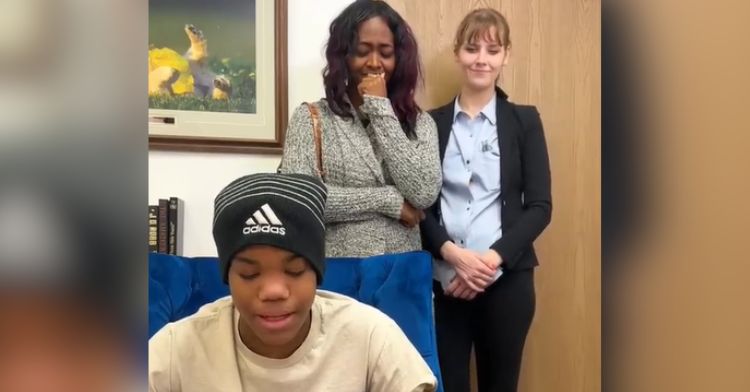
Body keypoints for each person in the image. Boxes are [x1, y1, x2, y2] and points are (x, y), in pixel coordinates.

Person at [148, 173, 437, 392]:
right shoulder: (178, 347)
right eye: (249, 274)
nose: (273, 291)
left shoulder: (371, 335)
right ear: (227, 277)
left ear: (317, 273)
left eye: (296, 270)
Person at [419, 8, 552, 392]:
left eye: (492, 50)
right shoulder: (431, 123)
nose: (482, 59)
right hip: (445, 285)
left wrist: (489, 263)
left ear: (506, 55)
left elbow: (540, 207)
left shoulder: (525, 121)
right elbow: (419, 206)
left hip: (507, 283)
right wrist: (455, 257)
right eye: (472, 48)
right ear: (457, 53)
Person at [279, 0, 441, 257]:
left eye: (385, 52)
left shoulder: (420, 123)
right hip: (336, 277)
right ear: (344, 55)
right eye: (362, 51)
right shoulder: (311, 119)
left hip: (399, 277)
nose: (374, 62)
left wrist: (379, 108)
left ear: (399, 58)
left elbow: (423, 193)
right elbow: (297, 200)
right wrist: (388, 201)